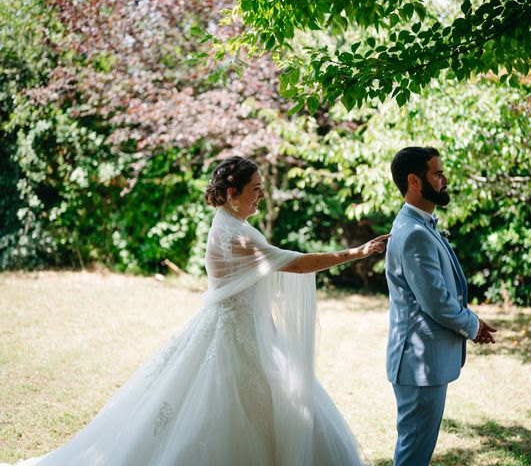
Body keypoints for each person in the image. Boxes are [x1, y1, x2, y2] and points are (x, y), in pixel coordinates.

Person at [10, 156, 389, 466]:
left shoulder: (228, 223)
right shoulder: (238, 233)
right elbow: (298, 263)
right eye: (255, 188)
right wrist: (358, 252)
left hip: (245, 330)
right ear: (231, 192)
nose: (261, 195)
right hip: (236, 337)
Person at [385, 147, 496, 466]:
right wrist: (473, 325)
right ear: (414, 181)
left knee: (416, 447)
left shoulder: (419, 224)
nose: (445, 179)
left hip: (423, 362)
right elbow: (436, 302)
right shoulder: (414, 234)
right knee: (414, 452)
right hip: (418, 364)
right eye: (437, 173)